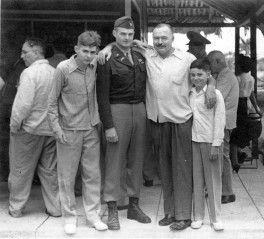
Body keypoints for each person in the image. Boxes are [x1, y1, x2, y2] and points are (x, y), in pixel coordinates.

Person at [98, 23, 216, 231]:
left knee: (181, 170)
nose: (160, 42)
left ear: (173, 39)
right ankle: (170, 212)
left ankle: (182, 216)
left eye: (165, 38)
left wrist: (211, 87)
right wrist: (106, 48)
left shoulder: (186, 59)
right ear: (152, 41)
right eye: (156, 38)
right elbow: (123, 42)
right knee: (164, 171)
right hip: (156, 122)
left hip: (180, 121)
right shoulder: (147, 54)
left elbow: (206, 72)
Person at [48, 31, 107, 235]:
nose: (88, 55)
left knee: (93, 175)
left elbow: (110, 51)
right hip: (68, 130)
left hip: (91, 128)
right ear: (76, 49)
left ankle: (92, 216)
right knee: (67, 176)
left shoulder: (95, 65)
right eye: (85, 51)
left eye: (92, 51)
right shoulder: (63, 69)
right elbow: (51, 102)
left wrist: (106, 49)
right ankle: (70, 217)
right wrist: (56, 129)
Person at [96, 16, 151, 230]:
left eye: (130, 34)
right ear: (114, 33)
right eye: (123, 34)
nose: (127, 37)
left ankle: (133, 206)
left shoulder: (140, 56)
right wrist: (108, 125)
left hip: (139, 110)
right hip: (116, 110)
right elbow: (101, 95)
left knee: (136, 160)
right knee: (114, 161)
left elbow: (161, 50)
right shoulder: (106, 58)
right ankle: (112, 209)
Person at [8, 38, 61, 218]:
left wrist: (14, 126)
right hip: (50, 130)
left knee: (20, 171)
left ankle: (16, 208)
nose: (22, 56)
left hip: (28, 131)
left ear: (37, 53)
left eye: (25, 52)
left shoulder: (29, 73)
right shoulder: (55, 72)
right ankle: (55, 208)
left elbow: (22, 105)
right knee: (50, 172)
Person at [189, 59, 225, 231]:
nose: (196, 78)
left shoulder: (215, 94)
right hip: (194, 141)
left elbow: (220, 120)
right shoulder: (189, 94)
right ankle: (197, 216)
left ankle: (216, 218)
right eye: (193, 75)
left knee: (213, 181)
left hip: (210, 142)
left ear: (208, 74)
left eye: (200, 74)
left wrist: (216, 144)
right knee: (197, 180)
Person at [207, 50, 239, 204]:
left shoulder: (226, 77)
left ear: (218, 62)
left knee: (223, 156)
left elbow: (215, 97)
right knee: (221, 155)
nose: (209, 67)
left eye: (211, 63)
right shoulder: (224, 75)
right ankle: (223, 190)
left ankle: (227, 192)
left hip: (224, 122)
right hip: (223, 121)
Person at [230, 54, 262, 172]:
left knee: (234, 132)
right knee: (239, 130)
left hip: (236, 104)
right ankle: (238, 155)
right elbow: (252, 95)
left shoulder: (237, 78)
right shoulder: (251, 78)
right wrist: (257, 108)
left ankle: (234, 161)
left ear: (240, 66)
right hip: (244, 106)